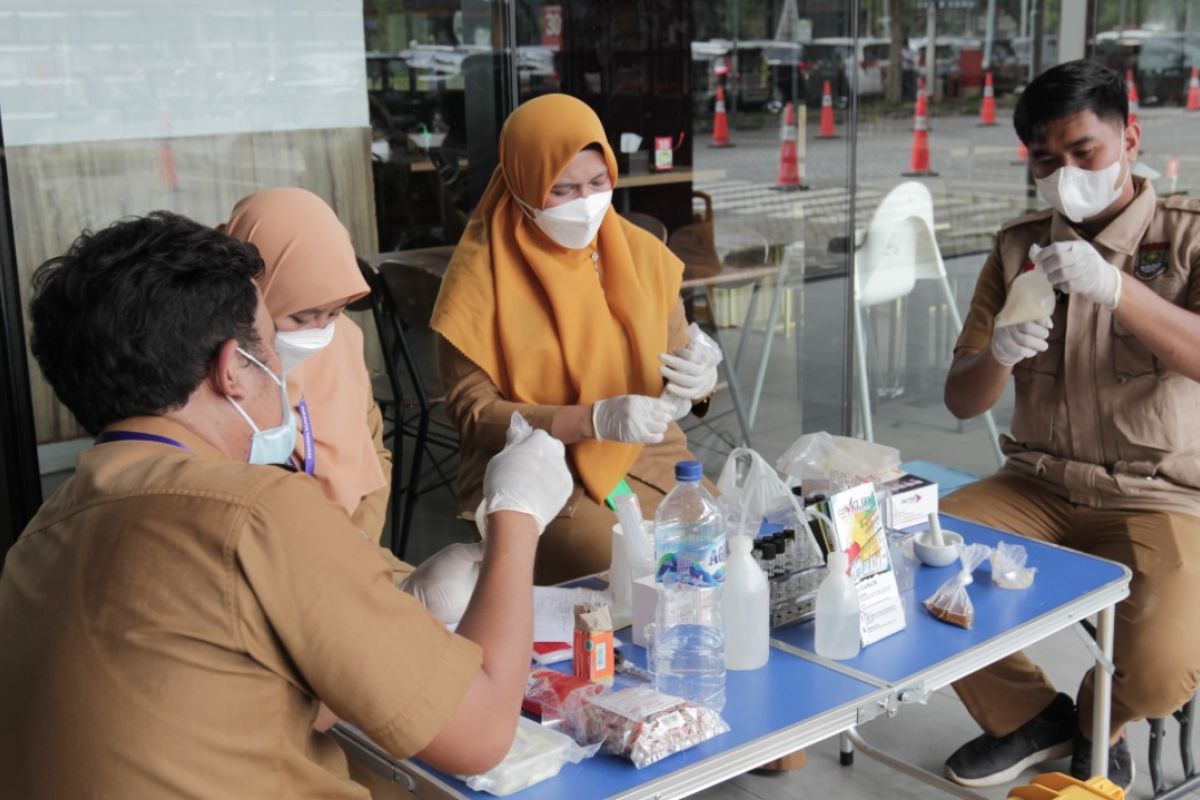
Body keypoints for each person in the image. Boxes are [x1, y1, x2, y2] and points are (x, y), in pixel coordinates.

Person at [0, 212, 573, 798]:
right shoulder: (253, 511)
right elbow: (479, 733)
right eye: (272, 351)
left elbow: (229, 687)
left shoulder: (35, 542)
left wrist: (401, 611)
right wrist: (516, 517)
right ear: (231, 370)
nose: (283, 375)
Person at [941, 60, 1200, 791]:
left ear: (1130, 137)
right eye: (1046, 161)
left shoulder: (1187, 238)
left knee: (1158, 672)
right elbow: (962, 400)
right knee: (910, 562)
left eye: (1083, 152)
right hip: (1037, 483)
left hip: (1162, 493)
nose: (1065, 176)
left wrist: (1118, 289)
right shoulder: (1017, 245)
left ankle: (1098, 721)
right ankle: (1032, 717)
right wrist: (996, 356)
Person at [431, 93, 720, 585]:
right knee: (616, 576)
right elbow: (474, 414)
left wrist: (699, 379)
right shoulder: (479, 280)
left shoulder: (641, 256)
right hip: (542, 474)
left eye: (597, 182)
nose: (584, 204)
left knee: (721, 548)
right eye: (561, 190)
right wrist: (589, 419)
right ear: (522, 184)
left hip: (649, 457)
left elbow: (677, 357)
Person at [223, 188, 392, 544]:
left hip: (351, 542)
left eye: (334, 312)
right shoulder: (210, 368)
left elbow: (374, 454)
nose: (318, 331)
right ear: (253, 293)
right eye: (301, 317)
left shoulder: (344, 341)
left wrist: (358, 536)